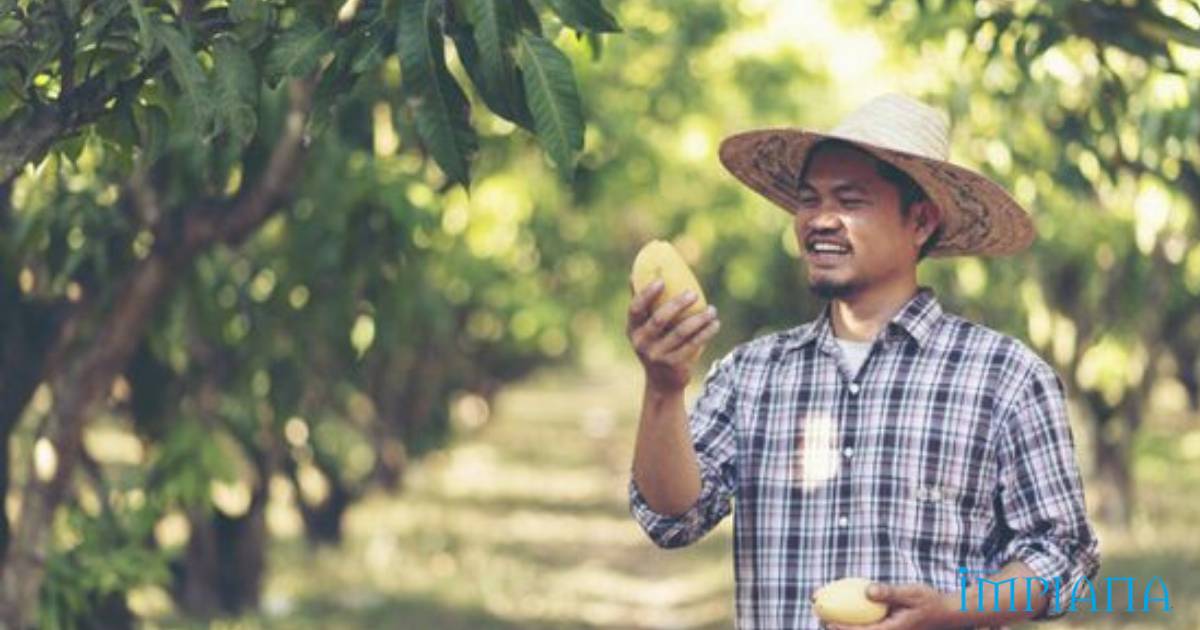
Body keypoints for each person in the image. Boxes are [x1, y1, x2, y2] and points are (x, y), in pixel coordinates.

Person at [624, 93, 1100, 629]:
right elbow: (672, 518)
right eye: (809, 200)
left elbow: (1065, 557)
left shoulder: (1006, 378)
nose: (820, 220)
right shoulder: (751, 374)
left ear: (920, 221)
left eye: (850, 201)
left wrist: (954, 610)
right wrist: (664, 388)